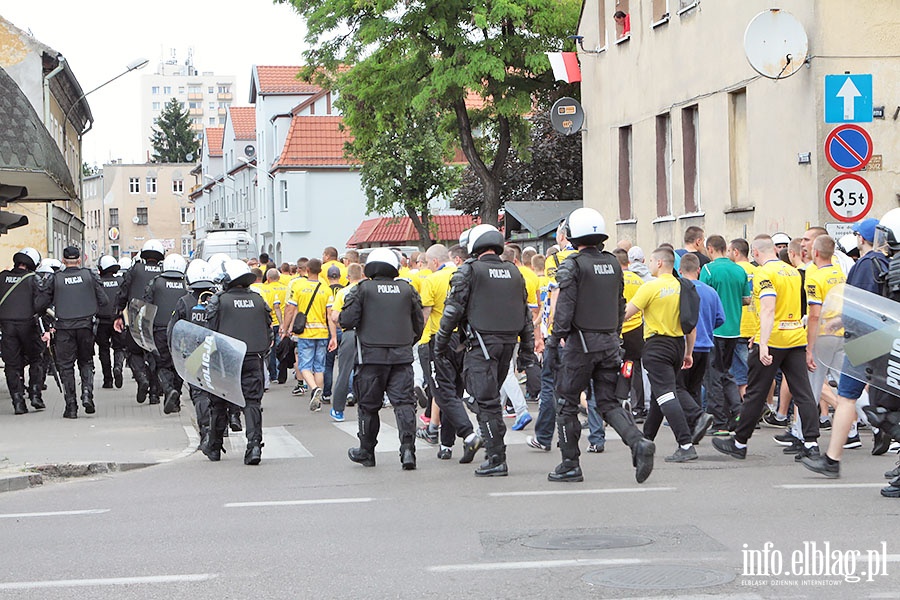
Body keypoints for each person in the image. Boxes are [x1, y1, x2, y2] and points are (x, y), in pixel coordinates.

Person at [547, 208, 656, 483]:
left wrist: (553, 341)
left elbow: (565, 309)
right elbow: (620, 305)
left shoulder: (572, 264)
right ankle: (638, 442)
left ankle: (570, 464)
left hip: (580, 345)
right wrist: (614, 335)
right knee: (608, 402)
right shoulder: (612, 264)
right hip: (609, 343)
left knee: (566, 402)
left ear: (572, 236)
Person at [435, 224, 534, 477]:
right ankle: (493, 451)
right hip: (507, 346)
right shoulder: (514, 271)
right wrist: (526, 350)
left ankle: (497, 458)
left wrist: (441, 342)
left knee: (486, 402)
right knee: (488, 400)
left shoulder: (468, 271)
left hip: (480, 346)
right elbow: (525, 315)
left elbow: (452, 311)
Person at [712, 236, 821, 461]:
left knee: (755, 393)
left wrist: (763, 342)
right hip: (795, 338)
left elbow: (769, 308)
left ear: (756, 253)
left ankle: (740, 443)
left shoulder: (764, 273)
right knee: (803, 392)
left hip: (773, 341)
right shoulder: (792, 271)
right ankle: (811, 442)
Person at [340, 248, 425, 470]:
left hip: (370, 357)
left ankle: (366, 451)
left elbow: (346, 320)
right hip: (401, 357)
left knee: (368, 407)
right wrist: (406, 343)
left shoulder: (362, 289)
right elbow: (419, 323)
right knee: (404, 404)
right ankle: (408, 451)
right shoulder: (407, 289)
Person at [624, 247, 699, 462]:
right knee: (660, 394)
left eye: (651, 262)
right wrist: (688, 352)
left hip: (657, 345)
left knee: (666, 394)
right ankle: (646, 439)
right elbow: (691, 323)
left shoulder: (651, 287)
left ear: (659, 263)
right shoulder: (683, 286)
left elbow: (627, 314)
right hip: (677, 344)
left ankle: (685, 443)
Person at [418, 243, 484, 462]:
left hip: (438, 339)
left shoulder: (432, 280)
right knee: (452, 393)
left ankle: (468, 434)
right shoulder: (464, 276)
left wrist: (416, 338)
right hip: (463, 340)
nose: (426, 266)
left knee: (442, 393)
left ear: (435, 262)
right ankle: (446, 445)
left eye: (427, 262)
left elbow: (425, 314)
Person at [206, 260, 273, 465]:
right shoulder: (258, 299)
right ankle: (254, 447)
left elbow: (211, 329)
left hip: (226, 358)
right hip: (253, 357)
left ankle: (215, 447)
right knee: (252, 403)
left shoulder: (219, 300)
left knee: (218, 403)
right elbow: (268, 328)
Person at [36, 246, 108, 419]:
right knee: (86, 362)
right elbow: (104, 300)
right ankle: (87, 393)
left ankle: (71, 407)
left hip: (64, 329)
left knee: (66, 367)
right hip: (85, 327)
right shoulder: (89, 276)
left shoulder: (55, 279)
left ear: (63, 261)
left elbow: (40, 304)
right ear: (79, 260)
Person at [526, 221, 575, 454]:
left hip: (559, 335)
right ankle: (596, 436)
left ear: (562, 235)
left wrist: (550, 332)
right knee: (584, 389)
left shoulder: (556, 261)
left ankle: (545, 436)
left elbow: (554, 299)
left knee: (550, 386)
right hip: (588, 335)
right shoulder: (597, 259)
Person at [700, 235, 750, 435]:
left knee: (712, 377)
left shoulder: (708, 270)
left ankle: (719, 422)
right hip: (734, 330)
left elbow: (702, 297)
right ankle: (738, 411)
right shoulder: (739, 270)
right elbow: (746, 299)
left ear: (710, 249)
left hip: (714, 329)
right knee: (726, 373)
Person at [282, 258, 337, 409]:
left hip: (305, 333)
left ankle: (314, 389)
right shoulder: (326, 289)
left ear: (307, 270)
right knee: (319, 367)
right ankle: (317, 402)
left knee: (305, 366)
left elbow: (290, 310)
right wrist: (333, 336)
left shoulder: (299, 287)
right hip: (322, 332)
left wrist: (285, 329)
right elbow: (330, 316)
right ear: (320, 271)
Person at [115, 240, 165, 405]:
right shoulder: (164, 272)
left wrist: (118, 313)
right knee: (154, 355)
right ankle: (154, 394)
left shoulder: (135, 269)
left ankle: (141, 377)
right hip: (157, 320)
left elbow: (123, 291)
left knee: (133, 351)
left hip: (137, 316)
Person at [0, 247, 45, 414]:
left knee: (11, 364)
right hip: (28, 326)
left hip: (6, 327)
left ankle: (18, 402)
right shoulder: (33, 279)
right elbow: (41, 303)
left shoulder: (2, 277)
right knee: (36, 360)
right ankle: (35, 395)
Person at [144, 253, 188, 414]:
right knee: (179, 366)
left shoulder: (155, 283)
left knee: (162, 364)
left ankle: (169, 390)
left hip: (160, 330)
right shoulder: (186, 283)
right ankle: (175, 400)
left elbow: (147, 306)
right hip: (182, 331)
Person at [328, 262, 364, 421]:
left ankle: (338, 410)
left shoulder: (342, 292)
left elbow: (334, 316)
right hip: (367, 334)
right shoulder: (366, 290)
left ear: (348, 277)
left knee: (344, 371)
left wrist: (339, 326)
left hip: (349, 334)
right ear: (362, 275)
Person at [728, 238, 758, 401]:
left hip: (738, 326)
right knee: (753, 372)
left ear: (736, 252)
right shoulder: (759, 271)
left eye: (729, 251)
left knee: (740, 376)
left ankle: (747, 410)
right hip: (755, 328)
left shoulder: (733, 271)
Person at [95, 255, 126, 389]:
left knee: (104, 349)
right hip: (118, 319)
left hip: (101, 321)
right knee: (119, 347)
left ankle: (108, 379)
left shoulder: (98, 282)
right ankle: (118, 367)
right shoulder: (120, 281)